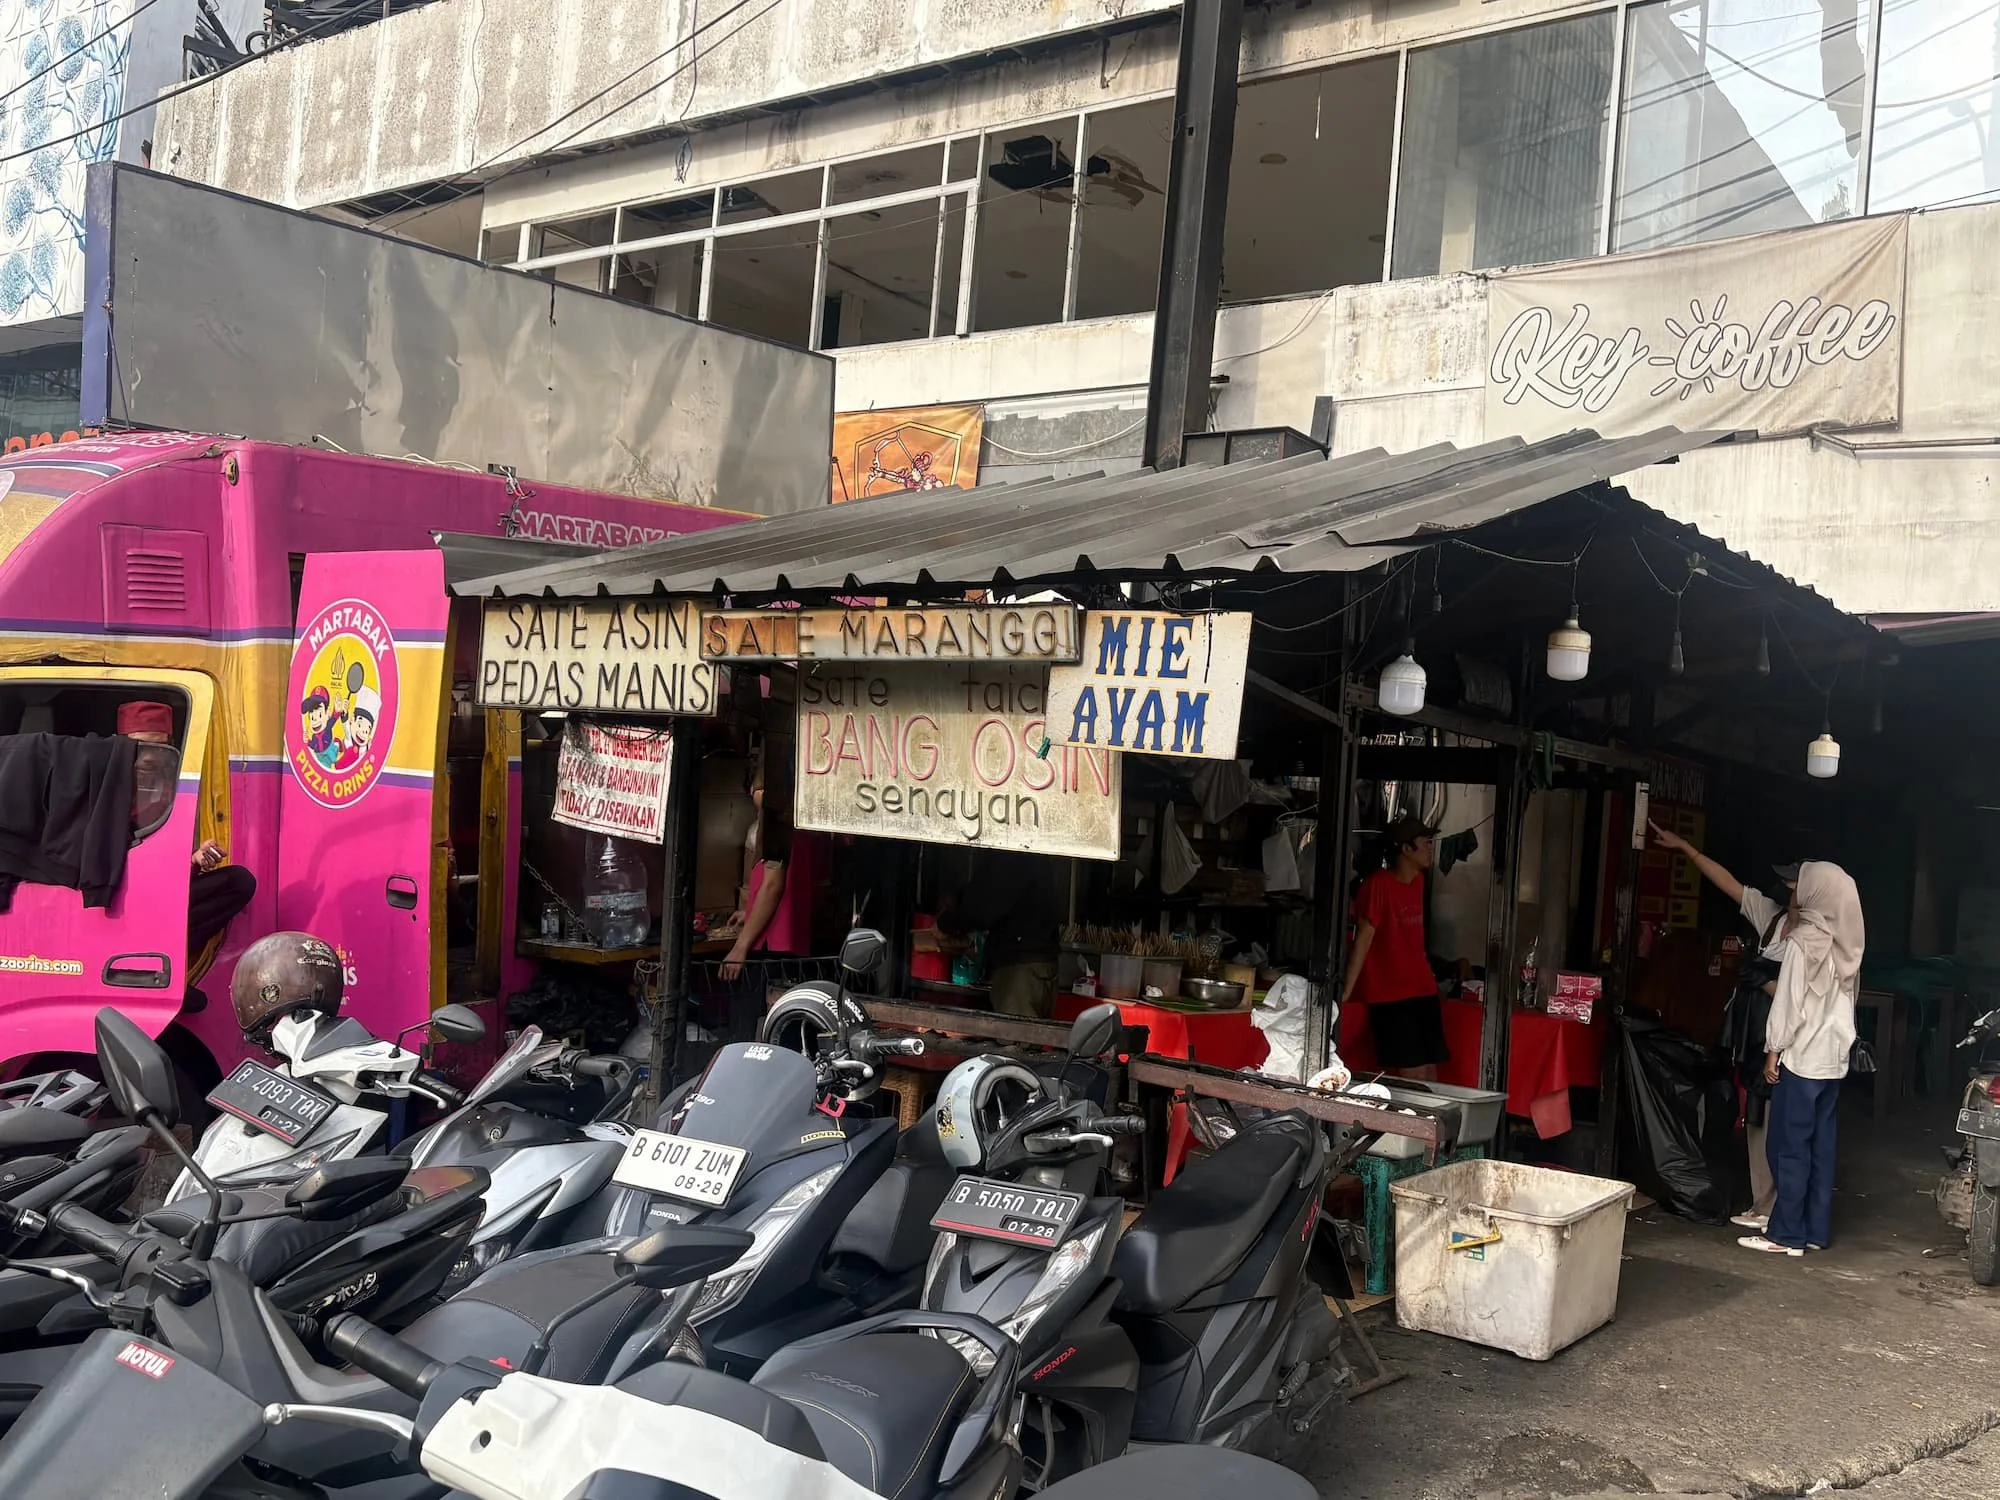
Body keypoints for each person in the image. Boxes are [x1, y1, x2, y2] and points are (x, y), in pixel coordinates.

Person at [1650, 824, 1863, 1257]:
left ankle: (1785, 1234)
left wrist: (1774, 1052)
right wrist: (1688, 848)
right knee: (1820, 1147)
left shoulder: (1805, 942)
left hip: (1800, 1057)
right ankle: (1814, 1231)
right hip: (1831, 1060)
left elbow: (1790, 1003)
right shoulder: (1847, 942)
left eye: (1797, 883)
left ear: (1816, 893)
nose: (1789, 888)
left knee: (1788, 1145)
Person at [119, 701, 256, 954]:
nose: (150, 757)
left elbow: (172, 859)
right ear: (121, 744)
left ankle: (171, 953)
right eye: (140, 747)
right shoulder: (104, 782)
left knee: (240, 881)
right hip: (121, 890)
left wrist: (195, 859)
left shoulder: (176, 787)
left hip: (163, 890)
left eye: (159, 748)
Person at [1341, 814, 1446, 1080]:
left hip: (1423, 988)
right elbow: (1363, 938)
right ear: (1405, 848)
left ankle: (1436, 1121)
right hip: (1391, 995)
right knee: (1413, 1073)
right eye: (1425, 842)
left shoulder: (1419, 883)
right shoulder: (1377, 885)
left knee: (1431, 1070)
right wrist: (1346, 991)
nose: (1430, 847)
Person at [935, 850, 1061, 1018]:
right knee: (1026, 1039)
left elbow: (983, 909)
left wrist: (945, 924)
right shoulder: (1029, 853)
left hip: (1020, 972)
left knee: (1015, 1041)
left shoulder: (1012, 851)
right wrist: (959, 897)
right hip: (1040, 967)